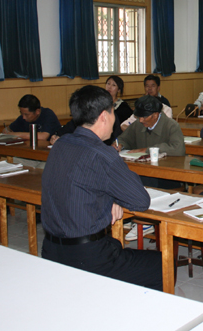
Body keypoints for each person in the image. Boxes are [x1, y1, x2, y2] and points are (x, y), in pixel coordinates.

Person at [41, 85, 162, 291]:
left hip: (51, 251)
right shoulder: (102, 154)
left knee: (117, 248)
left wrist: (112, 198)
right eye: (113, 112)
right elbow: (141, 201)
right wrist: (116, 192)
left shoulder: (61, 144)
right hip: (87, 256)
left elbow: (84, 184)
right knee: (161, 265)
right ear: (105, 116)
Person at [52, 75, 131, 145]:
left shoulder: (121, 110)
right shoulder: (84, 115)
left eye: (113, 85)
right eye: (108, 84)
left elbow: (119, 138)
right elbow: (65, 129)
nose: (109, 87)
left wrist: (118, 144)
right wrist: (56, 135)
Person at [115, 95, 185, 158]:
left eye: (144, 117)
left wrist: (147, 150)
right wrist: (120, 145)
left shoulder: (171, 126)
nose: (141, 120)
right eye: (139, 117)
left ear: (155, 115)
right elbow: (125, 139)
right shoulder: (138, 124)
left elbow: (178, 149)